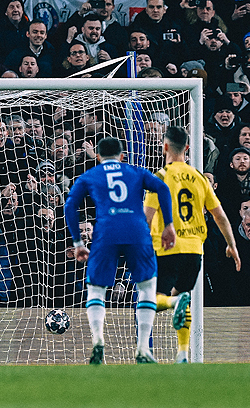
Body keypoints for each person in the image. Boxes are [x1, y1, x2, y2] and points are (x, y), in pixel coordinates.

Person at [64, 137, 176, 364]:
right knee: (146, 288)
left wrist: (77, 243)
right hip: (137, 231)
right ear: (122, 156)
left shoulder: (90, 175)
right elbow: (163, 188)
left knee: (96, 289)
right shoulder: (136, 171)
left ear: (97, 156)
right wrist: (168, 225)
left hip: (106, 232)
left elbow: (70, 206)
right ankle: (143, 349)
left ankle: (98, 341)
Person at [143, 126, 241, 363]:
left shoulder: (161, 177)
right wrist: (232, 245)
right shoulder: (199, 177)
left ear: (165, 146)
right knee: (183, 294)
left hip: (167, 248)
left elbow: (146, 216)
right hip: (195, 249)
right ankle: (183, 353)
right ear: (187, 148)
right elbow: (219, 215)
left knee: (152, 301)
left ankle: (174, 304)